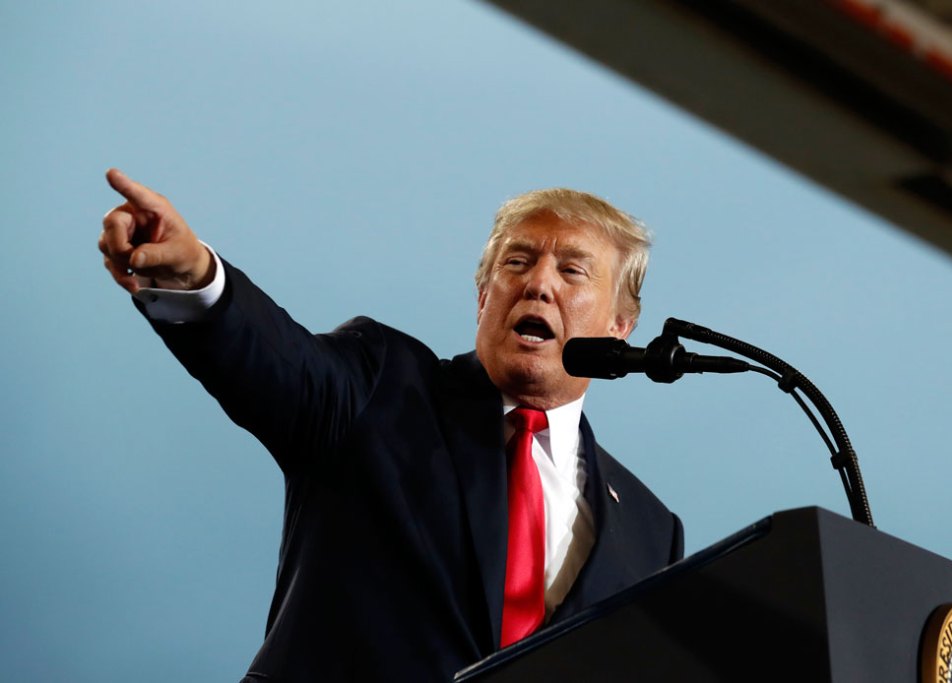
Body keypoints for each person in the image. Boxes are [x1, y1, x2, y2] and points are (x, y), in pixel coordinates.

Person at [98, 169, 683, 681]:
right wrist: (192, 275)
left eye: (573, 270)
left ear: (619, 326)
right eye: (518, 261)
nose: (539, 283)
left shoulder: (653, 534)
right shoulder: (383, 385)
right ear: (483, 298)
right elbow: (278, 362)